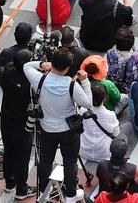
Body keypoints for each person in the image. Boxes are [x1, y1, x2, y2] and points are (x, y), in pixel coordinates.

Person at [25, 50, 94, 203]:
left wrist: (41, 64)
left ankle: (44, 191)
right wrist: (85, 81)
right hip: (68, 130)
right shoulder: (71, 85)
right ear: (68, 67)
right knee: (70, 162)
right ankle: (70, 195)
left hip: (47, 129)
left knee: (45, 161)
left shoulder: (39, 79)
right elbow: (88, 103)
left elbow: (26, 66)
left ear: (52, 62)